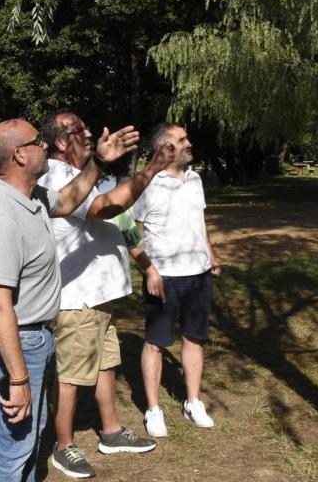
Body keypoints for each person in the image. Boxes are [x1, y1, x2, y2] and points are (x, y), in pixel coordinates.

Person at [0, 118, 140, 482]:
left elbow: (71, 198)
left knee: (31, 434)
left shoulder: (31, 198)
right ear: (19, 155)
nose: (44, 146)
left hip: (34, 335)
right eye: (36, 142)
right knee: (15, 443)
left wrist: (99, 162)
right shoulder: (1, 216)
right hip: (19, 338)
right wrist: (17, 379)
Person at [37, 113, 174, 478]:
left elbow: (118, 217)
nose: (88, 132)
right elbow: (107, 208)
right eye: (78, 130)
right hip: (76, 299)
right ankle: (63, 447)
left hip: (97, 297)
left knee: (104, 364)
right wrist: (153, 169)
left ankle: (111, 432)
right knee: (71, 376)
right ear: (61, 143)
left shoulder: (81, 176)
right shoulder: (56, 176)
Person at [131, 123, 222, 436]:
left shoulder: (195, 178)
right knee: (156, 343)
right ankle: (153, 410)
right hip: (164, 277)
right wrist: (149, 269)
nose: (188, 143)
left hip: (198, 274)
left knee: (195, 338)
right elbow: (128, 229)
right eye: (181, 140)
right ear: (164, 149)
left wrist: (210, 253)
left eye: (186, 138)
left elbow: (199, 221)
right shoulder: (147, 184)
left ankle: (193, 402)